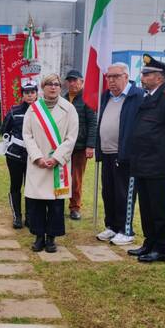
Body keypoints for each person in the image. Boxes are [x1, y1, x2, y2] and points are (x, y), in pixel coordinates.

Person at [126, 54, 165, 263]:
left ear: (159, 78)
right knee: (146, 206)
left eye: (147, 74)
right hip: (142, 163)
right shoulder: (147, 97)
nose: (143, 77)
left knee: (159, 206)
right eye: (143, 73)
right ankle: (149, 242)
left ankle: (162, 248)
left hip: (158, 165)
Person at [23, 73, 78, 253]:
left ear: (60, 87)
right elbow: (27, 135)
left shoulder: (69, 109)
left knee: (55, 205)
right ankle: (39, 237)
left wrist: (56, 158)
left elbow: (71, 137)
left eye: (56, 84)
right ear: (43, 87)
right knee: (37, 204)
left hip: (58, 165)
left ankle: (52, 239)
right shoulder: (33, 109)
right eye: (49, 84)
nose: (53, 87)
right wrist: (38, 157)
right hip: (38, 164)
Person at [93, 62, 144, 246]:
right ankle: (112, 226)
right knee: (109, 192)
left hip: (125, 155)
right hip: (107, 152)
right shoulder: (106, 96)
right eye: (109, 77)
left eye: (115, 76)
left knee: (125, 193)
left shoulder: (137, 96)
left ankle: (126, 229)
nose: (111, 81)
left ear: (126, 76)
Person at [1, 80, 38, 229]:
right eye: (26, 93)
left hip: (34, 156)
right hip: (15, 155)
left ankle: (30, 217)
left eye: (32, 92)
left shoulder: (41, 111)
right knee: (15, 186)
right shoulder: (13, 111)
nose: (29, 95)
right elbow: (4, 130)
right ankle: (17, 217)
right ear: (22, 94)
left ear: (36, 93)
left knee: (31, 187)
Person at [64, 69, 96, 220]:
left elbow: (92, 123)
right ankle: (57, 204)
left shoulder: (87, 99)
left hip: (80, 147)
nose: (72, 83)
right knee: (61, 176)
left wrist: (90, 145)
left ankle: (75, 207)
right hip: (63, 146)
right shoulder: (62, 99)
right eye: (70, 80)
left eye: (75, 80)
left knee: (76, 179)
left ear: (82, 82)